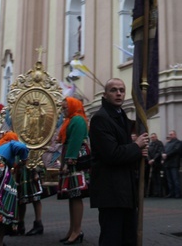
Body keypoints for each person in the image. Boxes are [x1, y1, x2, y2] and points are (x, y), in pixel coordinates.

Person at [89, 78, 148, 246]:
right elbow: (112, 154)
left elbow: (126, 148)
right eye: (114, 90)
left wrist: (139, 151)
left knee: (129, 237)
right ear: (105, 94)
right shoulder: (100, 118)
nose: (119, 93)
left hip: (126, 191)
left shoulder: (121, 116)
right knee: (112, 238)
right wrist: (136, 147)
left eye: (121, 90)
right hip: (111, 191)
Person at [57, 97, 90, 245]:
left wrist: (68, 161)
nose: (63, 110)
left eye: (65, 108)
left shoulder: (77, 120)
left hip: (76, 159)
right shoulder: (71, 120)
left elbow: (76, 141)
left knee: (76, 194)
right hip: (71, 157)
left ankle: (77, 230)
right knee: (72, 195)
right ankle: (72, 229)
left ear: (72, 106)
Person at [0, 131, 29, 246]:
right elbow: (21, 146)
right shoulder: (11, 143)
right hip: (1, 170)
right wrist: (24, 158)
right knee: (6, 203)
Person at [162, 130, 181, 199]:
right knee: (169, 180)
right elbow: (164, 150)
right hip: (167, 163)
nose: (170, 136)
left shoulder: (178, 142)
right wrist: (163, 154)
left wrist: (167, 154)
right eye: (170, 134)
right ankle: (171, 193)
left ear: (175, 135)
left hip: (174, 164)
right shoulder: (167, 143)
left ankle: (177, 193)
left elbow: (175, 150)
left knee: (175, 179)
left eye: (171, 134)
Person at [145, 133, 164, 197]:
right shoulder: (150, 144)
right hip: (151, 164)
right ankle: (154, 192)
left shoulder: (159, 143)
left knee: (158, 178)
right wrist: (149, 160)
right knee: (153, 179)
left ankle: (160, 193)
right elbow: (147, 153)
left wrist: (154, 159)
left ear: (156, 137)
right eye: (151, 137)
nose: (152, 138)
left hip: (157, 163)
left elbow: (159, 152)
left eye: (153, 137)